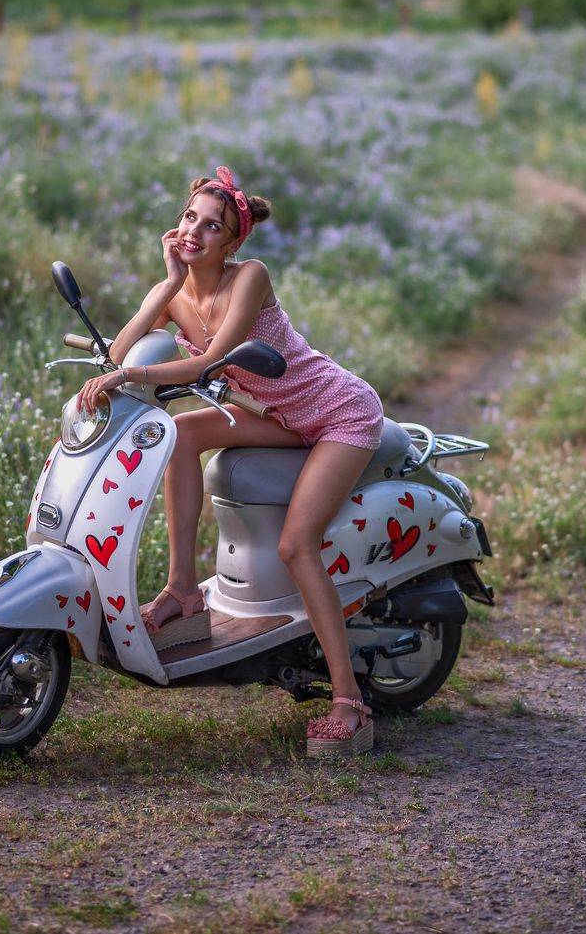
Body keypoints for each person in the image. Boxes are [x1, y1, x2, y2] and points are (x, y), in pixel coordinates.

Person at [75, 167, 382, 757]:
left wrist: (134, 374)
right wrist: (166, 287)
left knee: (297, 545)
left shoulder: (251, 277)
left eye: (211, 226)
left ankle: (349, 702)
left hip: (338, 413)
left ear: (233, 241)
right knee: (182, 435)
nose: (194, 232)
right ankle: (184, 591)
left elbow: (206, 361)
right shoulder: (175, 294)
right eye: (190, 217)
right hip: (277, 415)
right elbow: (115, 353)